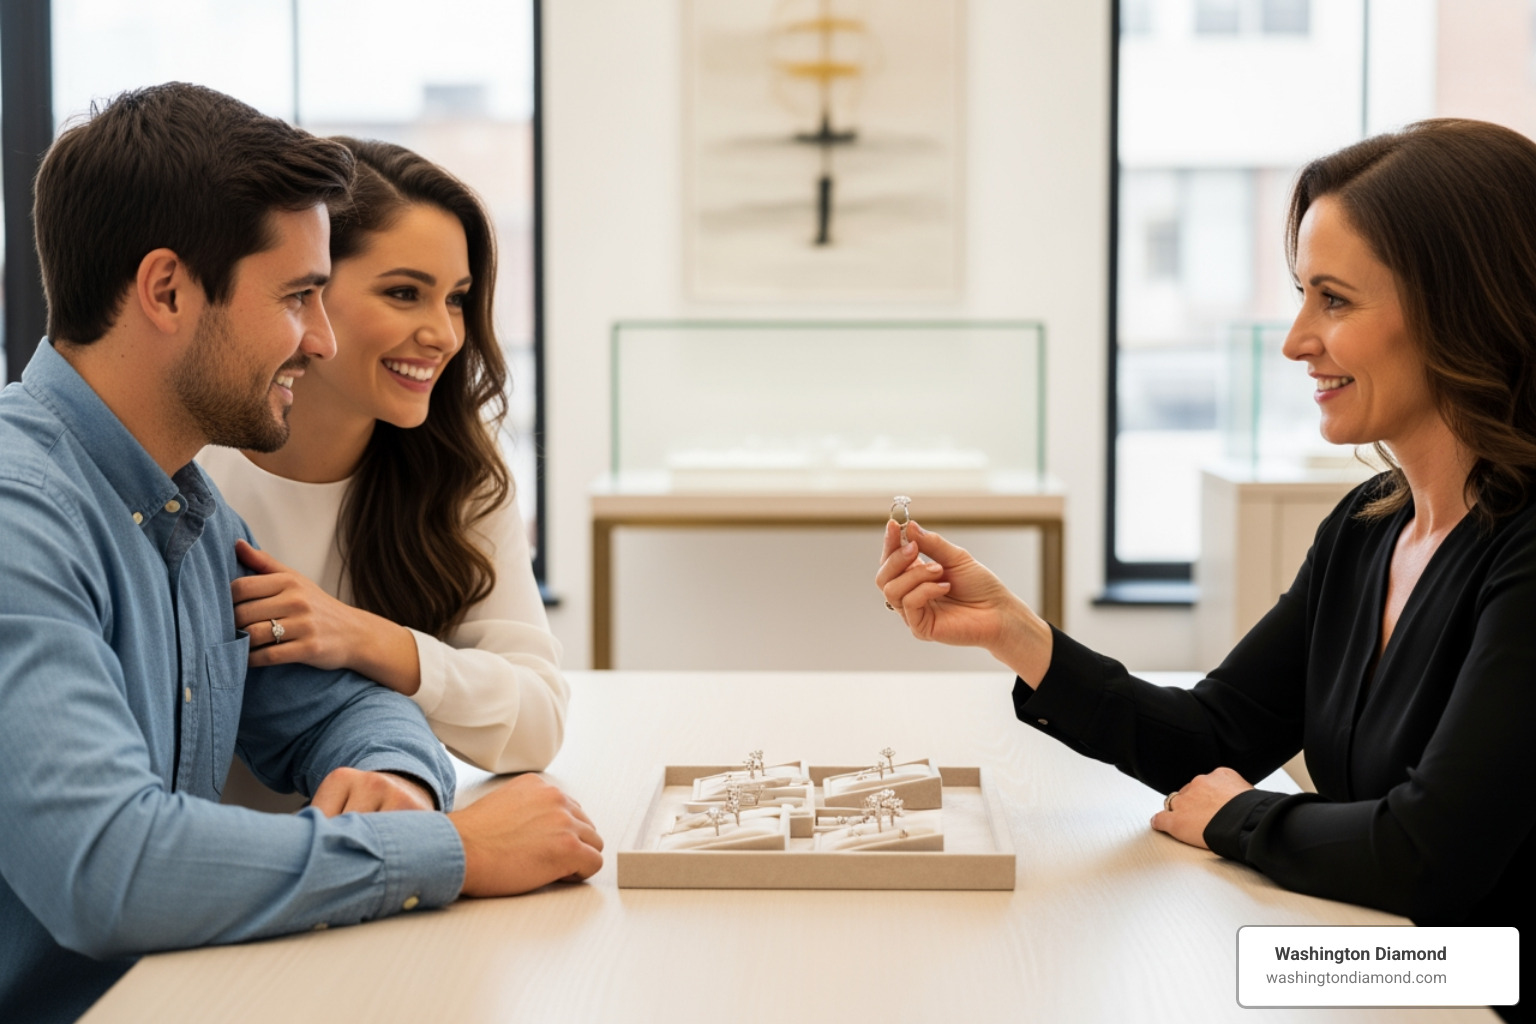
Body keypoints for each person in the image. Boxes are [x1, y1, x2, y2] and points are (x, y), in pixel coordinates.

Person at [878, 119, 1531, 1021]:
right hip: (1398, 962)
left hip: (1488, 986)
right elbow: (1217, 738)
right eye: (1303, 295)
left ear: (1462, 307)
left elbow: (1432, 851)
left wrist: (1238, 820)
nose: (1296, 339)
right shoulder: (1367, 526)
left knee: (1180, 974)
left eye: (1335, 301)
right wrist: (1016, 635)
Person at [0, 83, 601, 1024]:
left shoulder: (182, 511)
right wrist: (453, 849)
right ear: (166, 291)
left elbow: (341, 708)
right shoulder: (17, 517)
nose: (318, 340)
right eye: (297, 298)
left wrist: (394, 780)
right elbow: (109, 869)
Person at [198, 138, 564, 779]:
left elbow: (539, 724)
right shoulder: (190, 468)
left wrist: (367, 639)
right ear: (303, 293)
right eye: (403, 293)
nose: (445, 334)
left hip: (387, 848)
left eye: (455, 297)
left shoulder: (459, 474)